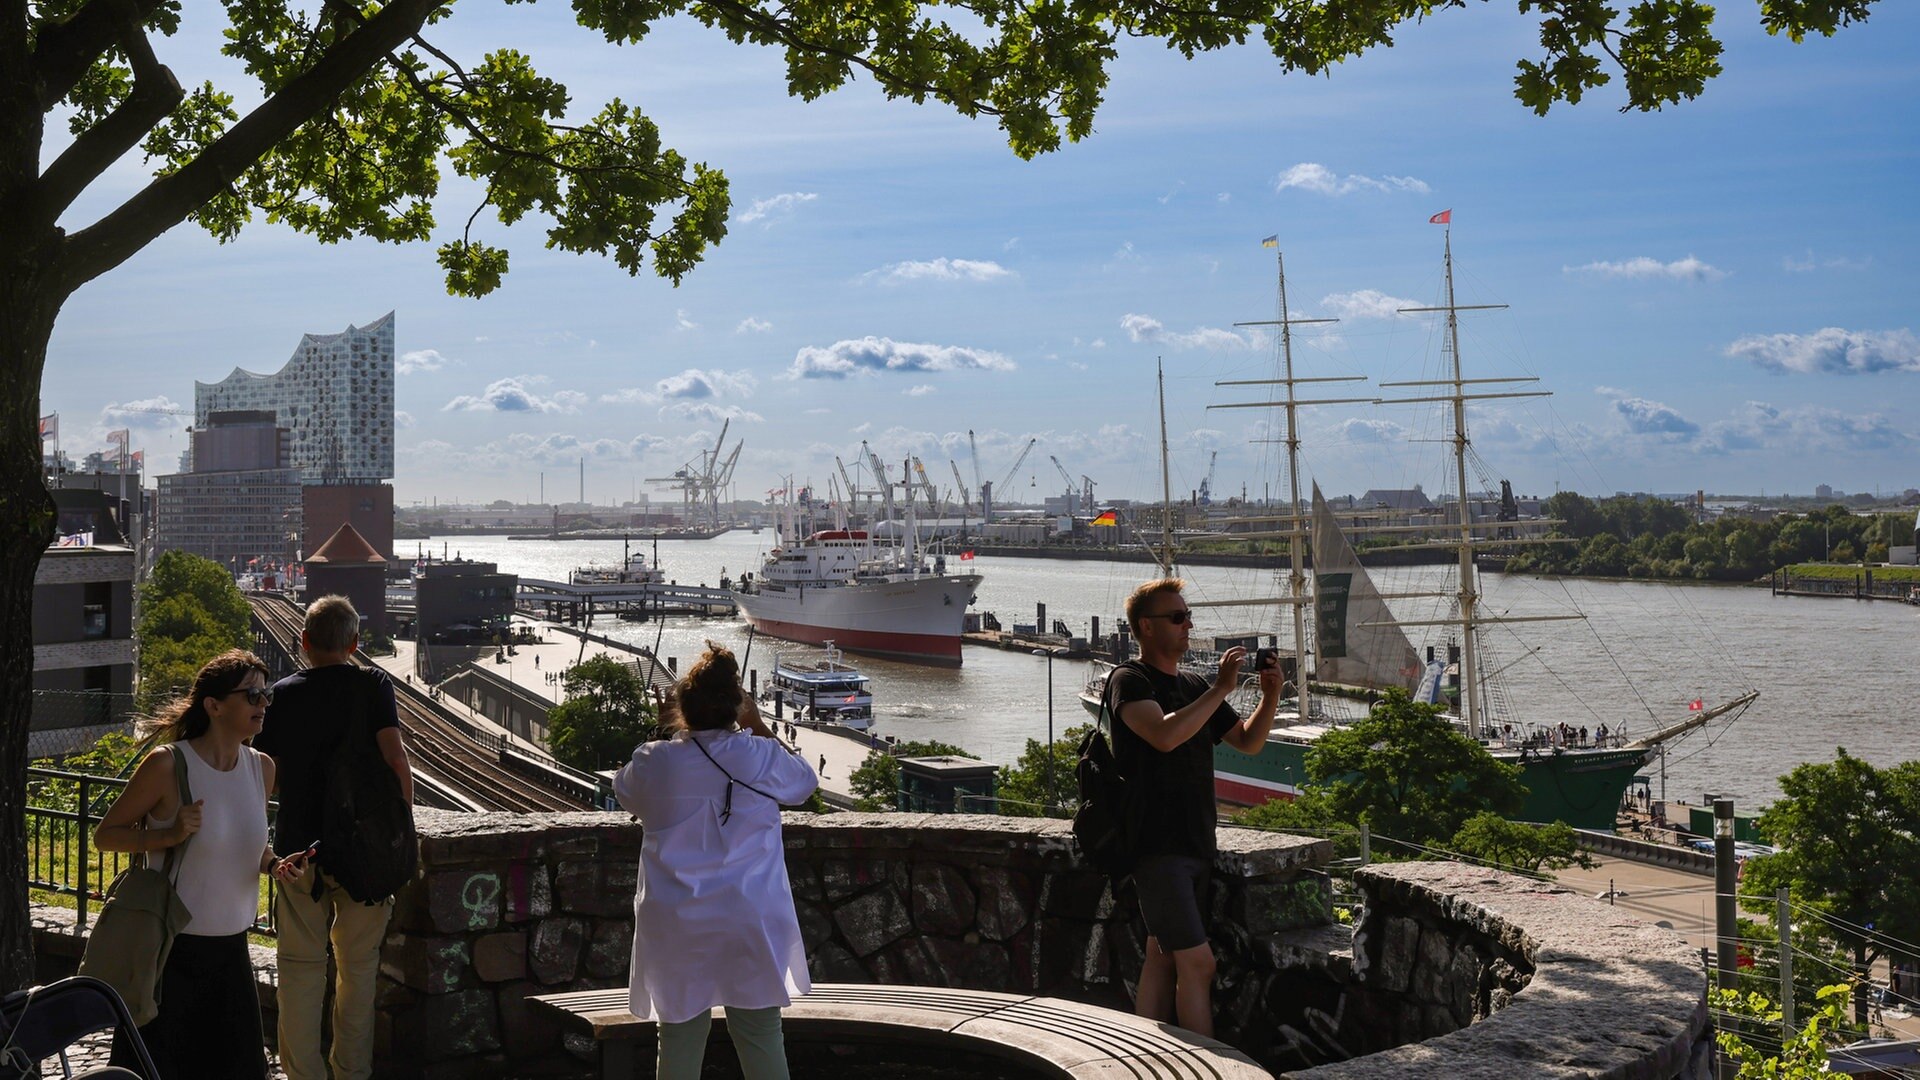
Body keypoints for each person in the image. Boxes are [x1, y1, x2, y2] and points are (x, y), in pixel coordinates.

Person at [615, 642, 817, 1080]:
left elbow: (625, 792)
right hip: (750, 914)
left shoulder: (655, 761)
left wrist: (670, 729)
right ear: (735, 707)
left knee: (680, 1038)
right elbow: (805, 783)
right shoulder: (760, 756)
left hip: (677, 920)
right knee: (761, 1035)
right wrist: (758, 723)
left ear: (682, 706)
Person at [95, 649, 291, 1079]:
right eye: (252, 695)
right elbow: (105, 835)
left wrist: (275, 864)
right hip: (171, 953)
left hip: (233, 954)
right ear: (214, 705)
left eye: (266, 695)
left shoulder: (262, 769)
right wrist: (168, 834)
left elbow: (249, 848)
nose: (263, 705)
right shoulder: (168, 764)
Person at [1110, 578, 1283, 1038]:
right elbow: (1164, 736)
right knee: (1199, 964)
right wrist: (1222, 689)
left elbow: (1247, 741)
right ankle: (1204, 1065)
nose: (1188, 625)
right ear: (1146, 627)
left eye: (1188, 616)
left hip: (1195, 840)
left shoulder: (1192, 683)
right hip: (1155, 845)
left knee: (1162, 955)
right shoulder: (1130, 680)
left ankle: (1143, 1052)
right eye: (1177, 617)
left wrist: (1270, 697)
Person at [254, 595, 414, 1080]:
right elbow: (395, 758)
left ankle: (304, 1074)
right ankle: (352, 1073)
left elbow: (269, 776)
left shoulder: (280, 694)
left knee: (300, 972)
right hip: (364, 850)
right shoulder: (373, 686)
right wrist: (400, 824)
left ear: (304, 643)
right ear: (355, 643)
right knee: (358, 972)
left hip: (299, 849)